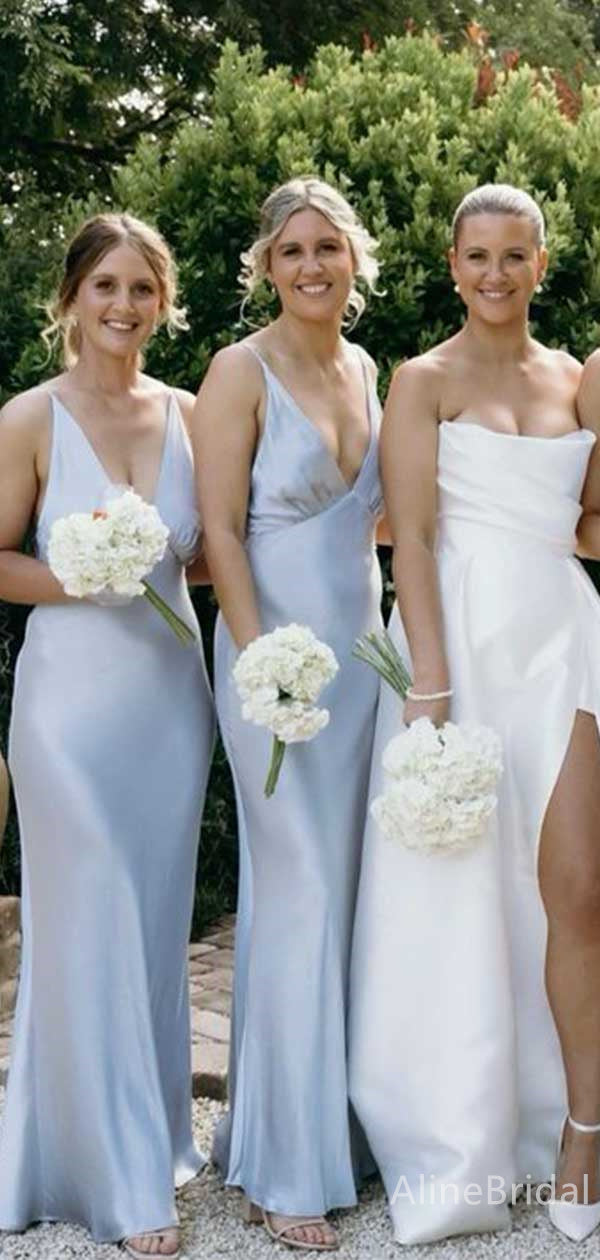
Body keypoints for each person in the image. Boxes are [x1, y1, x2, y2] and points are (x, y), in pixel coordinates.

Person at [349, 184, 600, 1246]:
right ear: (453, 266)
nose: (496, 274)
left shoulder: (581, 380)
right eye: (479, 256)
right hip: (456, 646)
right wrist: (432, 683)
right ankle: (463, 1136)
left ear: (542, 263)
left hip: (562, 641)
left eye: (515, 255)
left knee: (579, 888)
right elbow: (410, 536)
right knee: (458, 898)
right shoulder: (423, 380)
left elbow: (590, 524)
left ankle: (581, 1134)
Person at [0, 213, 215, 1258]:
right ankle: (123, 1183)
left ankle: (136, 1141)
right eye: (106, 287)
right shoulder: (28, 418)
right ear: (72, 299)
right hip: (67, 711)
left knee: (151, 926)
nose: (124, 306)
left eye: (142, 289)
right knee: (89, 914)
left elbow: (214, 554)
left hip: (170, 705)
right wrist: (83, 575)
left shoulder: (193, 415)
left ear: (162, 303)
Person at [193, 176, 383, 1251]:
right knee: (298, 887)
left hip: (361, 663)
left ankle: (334, 1129)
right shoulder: (240, 369)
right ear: (266, 266)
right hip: (273, 659)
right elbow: (221, 528)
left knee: (349, 890)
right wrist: (261, 658)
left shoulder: (367, 368)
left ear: (354, 260)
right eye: (292, 251)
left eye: (328, 248)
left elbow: (384, 521)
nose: (312, 266)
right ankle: (284, 1166)